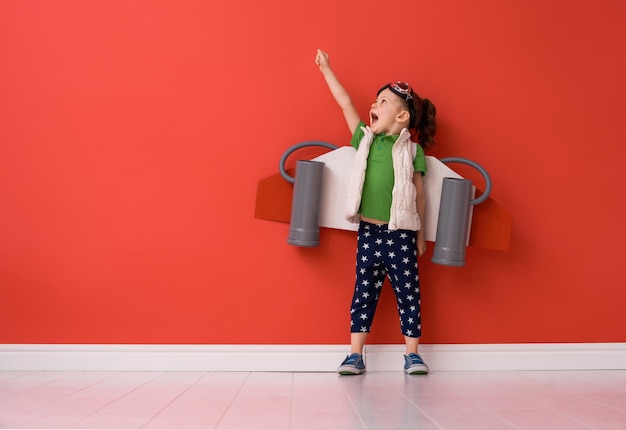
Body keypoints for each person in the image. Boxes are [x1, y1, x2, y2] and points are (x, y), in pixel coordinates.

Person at [315, 49, 437, 375]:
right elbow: (346, 104)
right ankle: (355, 355)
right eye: (375, 100)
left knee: (408, 293)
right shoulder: (365, 140)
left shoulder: (413, 151)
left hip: (400, 234)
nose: (373, 106)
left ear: (402, 117)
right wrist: (327, 69)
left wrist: (421, 237)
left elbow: (420, 196)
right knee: (363, 291)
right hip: (368, 233)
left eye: (383, 102)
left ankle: (412, 354)